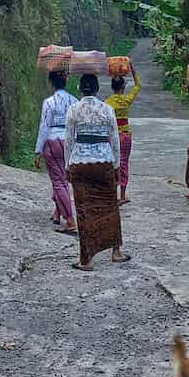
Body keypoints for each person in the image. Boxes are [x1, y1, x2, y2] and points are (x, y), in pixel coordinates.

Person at [65, 74, 131, 271]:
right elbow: (115, 141)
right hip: (104, 162)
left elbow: (68, 141)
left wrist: (67, 167)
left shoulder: (73, 109)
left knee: (84, 209)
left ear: (80, 88)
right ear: (96, 89)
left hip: (79, 163)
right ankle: (116, 251)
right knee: (110, 205)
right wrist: (117, 166)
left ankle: (86, 260)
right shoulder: (107, 109)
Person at [35, 70, 78, 234]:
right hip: (68, 141)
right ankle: (57, 212)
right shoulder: (74, 101)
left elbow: (44, 126)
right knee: (62, 177)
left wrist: (38, 150)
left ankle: (70, 219)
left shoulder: (49, 102)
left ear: (51, 83)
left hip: (52, 141)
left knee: (58, 182)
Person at [104, 61, 142, 205]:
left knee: (113, 164)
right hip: (125, 135)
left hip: (112, 137)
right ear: (123, 87)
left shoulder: (107, 102)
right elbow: (138, 86)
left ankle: (113, 194)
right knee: (124, 164)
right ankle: (122, 195)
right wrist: (133, 70)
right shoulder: (126, 100)